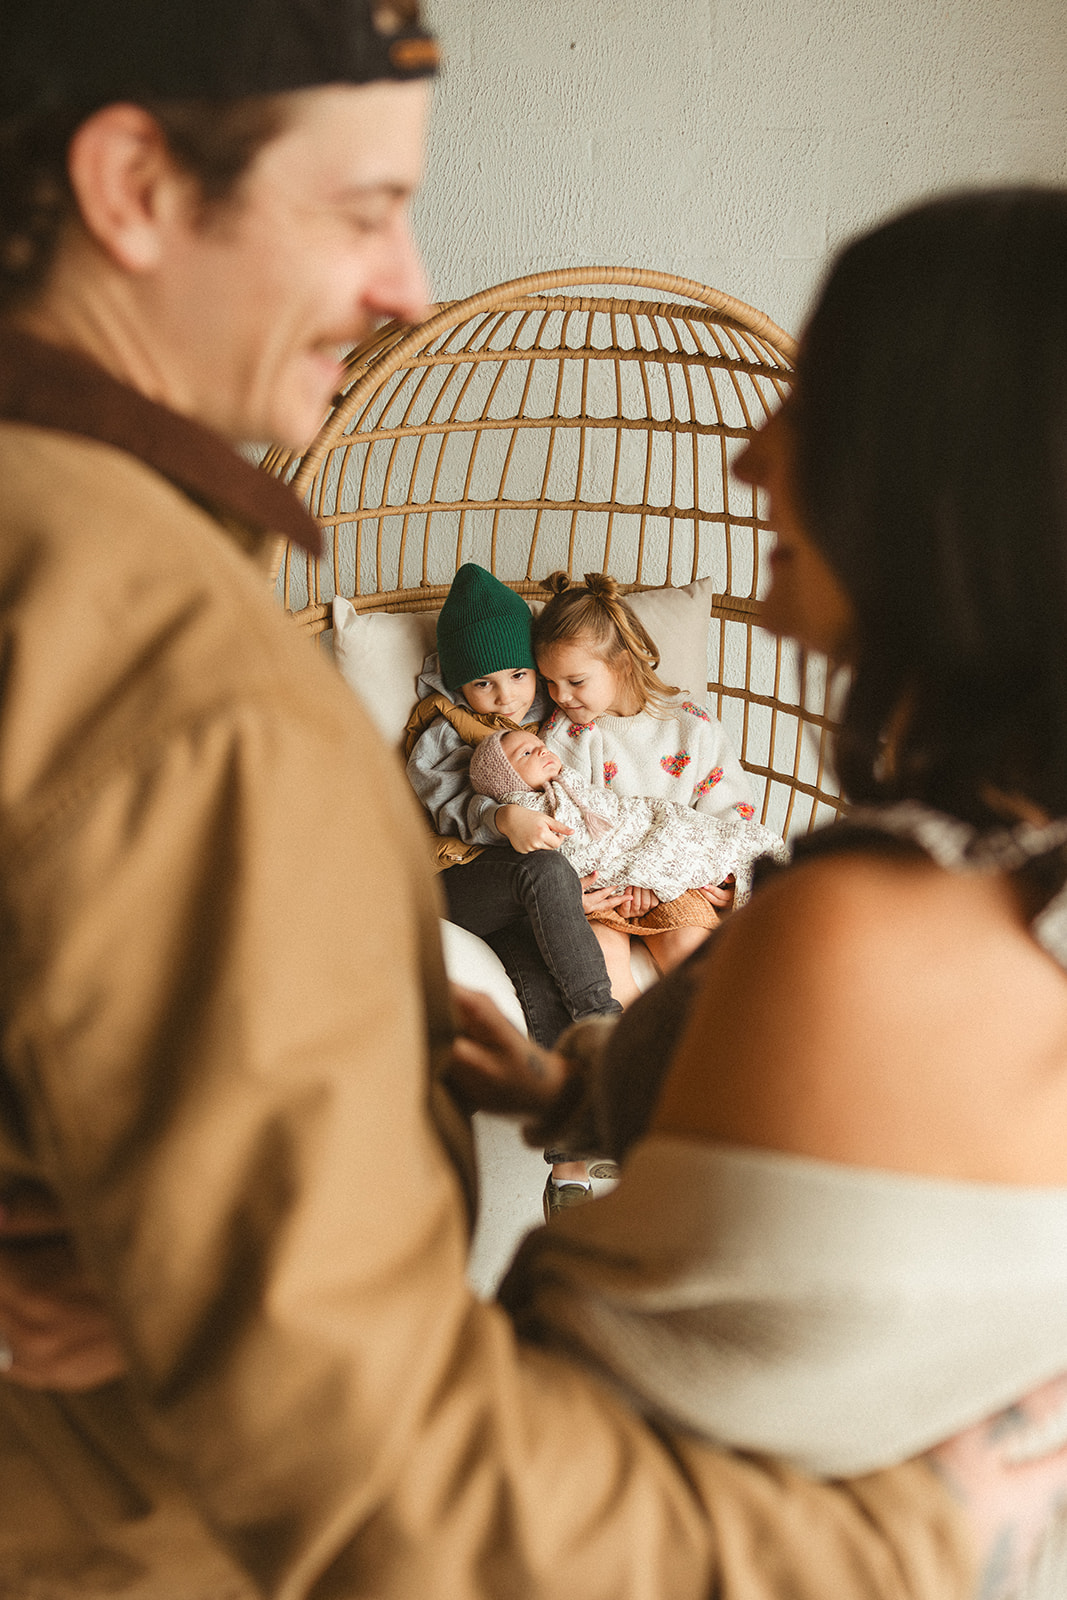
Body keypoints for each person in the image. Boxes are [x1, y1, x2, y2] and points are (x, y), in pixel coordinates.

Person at [0, 0, 1058, 1589]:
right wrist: (899, 1542)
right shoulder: (183, 677)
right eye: (364, 209)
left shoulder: (100, 581)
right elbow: (379, 1460)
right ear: (133, 186)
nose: (407, 286)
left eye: (814, 401)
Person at [451, 185, 1067, 1598]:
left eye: (811, 401)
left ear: (941, 472)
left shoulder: (856, 928)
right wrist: (566, 1088)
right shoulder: (999, 892)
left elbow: (543, 1468)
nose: (742, 459)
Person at [404, 562, 622, 1214]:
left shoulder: (547, 720)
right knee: (542, 871)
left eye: (518, 676)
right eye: (484, 683)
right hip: (451, 885)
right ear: (455, 681)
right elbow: (442, 801)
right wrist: (502, 816)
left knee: (534, 967)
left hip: (516, 906)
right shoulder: (439, 728)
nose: (504, 697)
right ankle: (604, 1027)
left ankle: (570, 1166)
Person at [534, 571, 756, 1003]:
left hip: (679, 881)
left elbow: (730, 822)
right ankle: (629, 1058)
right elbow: (562, 822)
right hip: (604, 891)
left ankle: (712, 1052)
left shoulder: (692, 726)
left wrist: (727, 882)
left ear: (622, 662)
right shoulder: (567, 736)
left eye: (575, 681)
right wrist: (581, 892)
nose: (560, 696)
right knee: (600, 968)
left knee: (694, 958)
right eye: (549, 682)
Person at [470, 726, 788, 929]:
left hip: (647, 825)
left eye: (539, 744)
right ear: (508, 781)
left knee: (731, 841)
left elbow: (619, 811)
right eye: (525, 753)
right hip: (616, 876)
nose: (541, 749)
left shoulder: (569, 783)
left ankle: (762, 882)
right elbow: (576, 852)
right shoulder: (527, 811)